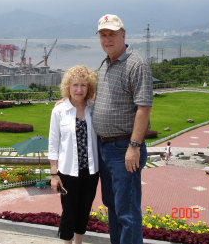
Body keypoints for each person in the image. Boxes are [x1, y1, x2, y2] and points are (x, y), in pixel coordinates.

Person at [92, 14, 153, 244]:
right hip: (105, 148)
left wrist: (134, 147)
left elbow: (144, 109)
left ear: (123, 35)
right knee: (113, 208)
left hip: (123, 149)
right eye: (103, 35)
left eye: (112, 34)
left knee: (127, 212)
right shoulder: (106, 63)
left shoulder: (136, 64)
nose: (107, 39)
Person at [48, 65, 100, 244]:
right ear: (68, 87)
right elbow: (53, 144)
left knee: (85, 210)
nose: (79, 89)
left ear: (89, 88)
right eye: (75, 85)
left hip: (91, 171)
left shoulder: (93, 109)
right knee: (69, 211)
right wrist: (54, 174)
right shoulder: (59, 111)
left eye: (83, 85)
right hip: (68, 171)